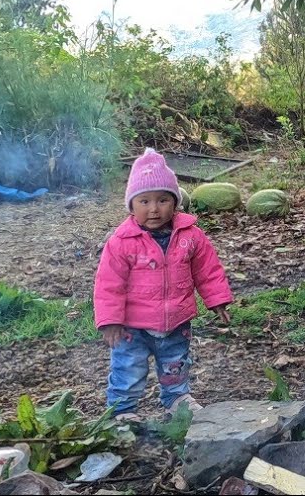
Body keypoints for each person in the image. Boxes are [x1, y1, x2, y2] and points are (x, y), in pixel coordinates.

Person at [94, 147, 234, 419]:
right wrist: (110, 320)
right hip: (132, 327)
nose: (154, 209)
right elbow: (109, 283)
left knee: (175, 364)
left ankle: (177, 398)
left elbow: (207, 269)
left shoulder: (190, 236)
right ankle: (122, 410)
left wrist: (217, 299)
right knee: (128, 368)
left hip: (176, 321)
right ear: (132, 206)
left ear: (176, 202)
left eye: (162, 200)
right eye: (144, 201)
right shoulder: (122, 242)